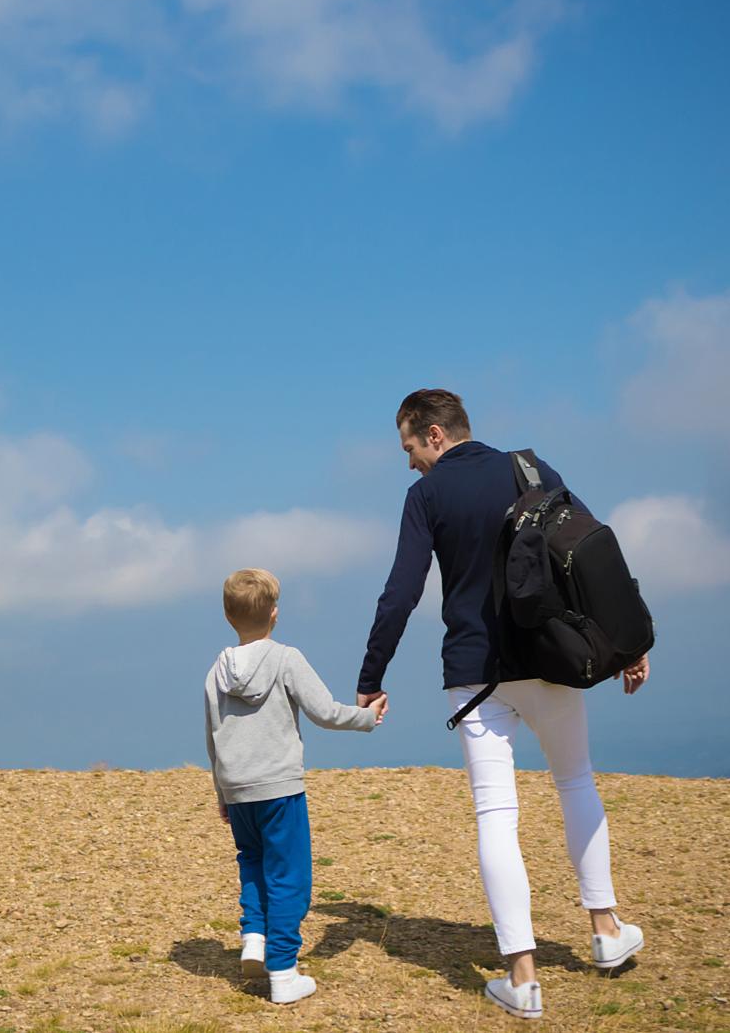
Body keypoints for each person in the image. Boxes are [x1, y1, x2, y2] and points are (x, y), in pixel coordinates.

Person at [356, 389, 650, 1021]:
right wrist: (626, 644)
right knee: (575, 782)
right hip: (552, 659)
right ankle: (605, 932)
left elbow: (400, 594)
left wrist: (371, 675)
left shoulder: (427, 497)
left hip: (475, 674)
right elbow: (594, 559)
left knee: (496, 812)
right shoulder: (533, 471)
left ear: (434, 435)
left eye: (409, 446)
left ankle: (522, 979)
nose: (408, 462)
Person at [204, 567, 388, 1005]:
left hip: (237, 786)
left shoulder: (217, 670)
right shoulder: (286, 658)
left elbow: (211, 735)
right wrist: (367, 717)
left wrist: (221, 792)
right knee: (289, 876)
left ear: (229, 616)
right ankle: (283, 972)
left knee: (252, 861)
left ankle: (254, 937)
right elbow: (324, 711)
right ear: (274, 614)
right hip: (279, 788)